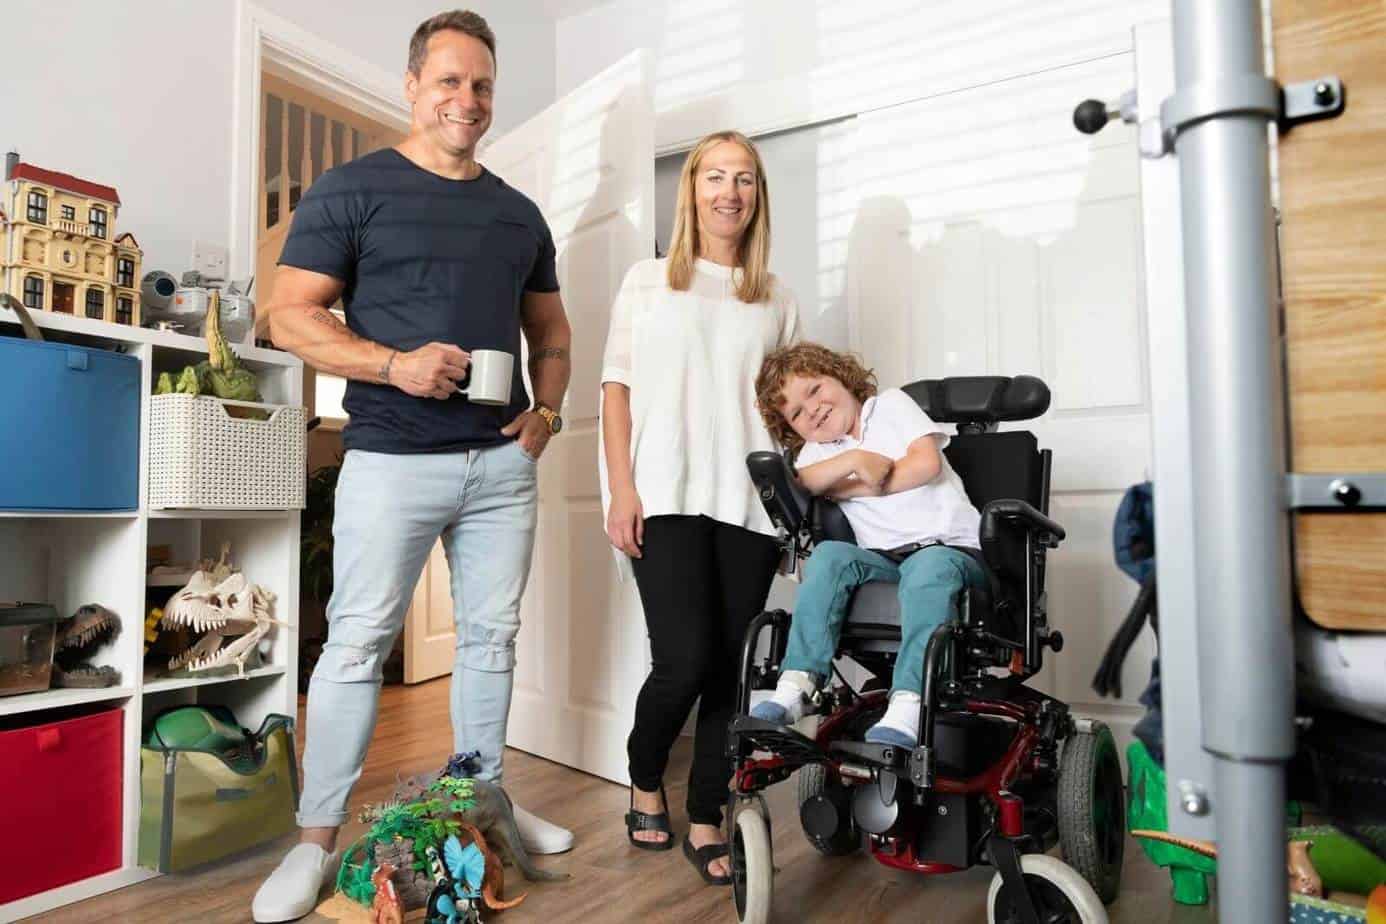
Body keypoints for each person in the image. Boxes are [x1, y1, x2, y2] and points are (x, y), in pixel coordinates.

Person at [252, 11, 573, 922]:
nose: (465, 101)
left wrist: (545, 414)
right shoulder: (350, 190)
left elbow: (552, 331)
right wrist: (394, 364)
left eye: (479, 85)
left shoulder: (517, 211)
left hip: (501, 467)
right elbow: (288, 317)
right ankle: (314, 843)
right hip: (392, 458)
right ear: (411, 84)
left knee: (490, 639)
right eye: (448, 82)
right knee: (355, 645)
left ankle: (486, 806)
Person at [600, 130, 800, 886]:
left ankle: (707, 813)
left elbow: (790, 418)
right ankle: (643, 774)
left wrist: (791, 511)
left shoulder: (776, 297)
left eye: (743, 179)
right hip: (666, 492)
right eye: (714, 177)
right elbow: (615, 389)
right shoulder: (647, 281)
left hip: (749, 505)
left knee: (731, 671)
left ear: (757, 196)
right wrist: (622, 487)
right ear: (691, 191)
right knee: (682, 660)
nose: (729, 192)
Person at [748, 343, 988, 747]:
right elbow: (805, 483)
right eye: (797, 414)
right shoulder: (812, 455)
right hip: (886, 561)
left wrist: (856, 489)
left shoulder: (892, 406)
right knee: (828, 557)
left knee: (927, 567)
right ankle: (797, 687)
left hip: (952, 550)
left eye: (814, 390)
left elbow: (926, 464)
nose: (814, 410)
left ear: (839, 374)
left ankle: (909, 702)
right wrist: (856, 459)